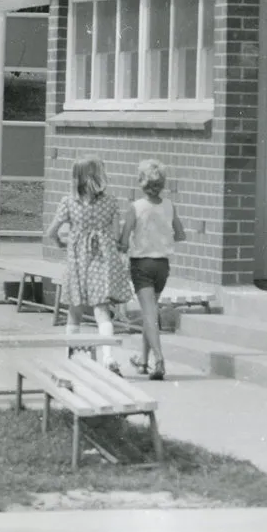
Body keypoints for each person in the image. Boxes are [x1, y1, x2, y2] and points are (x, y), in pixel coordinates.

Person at [45, 156, 133, 375]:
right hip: (102, 261)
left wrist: (61, 243)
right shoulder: (110, 202)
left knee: (74, 310)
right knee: (102, 311)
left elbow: (51, 232)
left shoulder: (69, 203)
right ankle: (109, 358)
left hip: (77, 261)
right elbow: (115, 234)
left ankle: (72, 355)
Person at [118, 159, 186, 381]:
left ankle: (159, 359)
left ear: (141, 182)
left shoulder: (136, 207)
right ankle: (143, 359)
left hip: (141, 264)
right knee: (151, 313)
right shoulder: (169, 206)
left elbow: (124, 241)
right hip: (162, 266)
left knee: (148, 315)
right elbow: (181, 233)